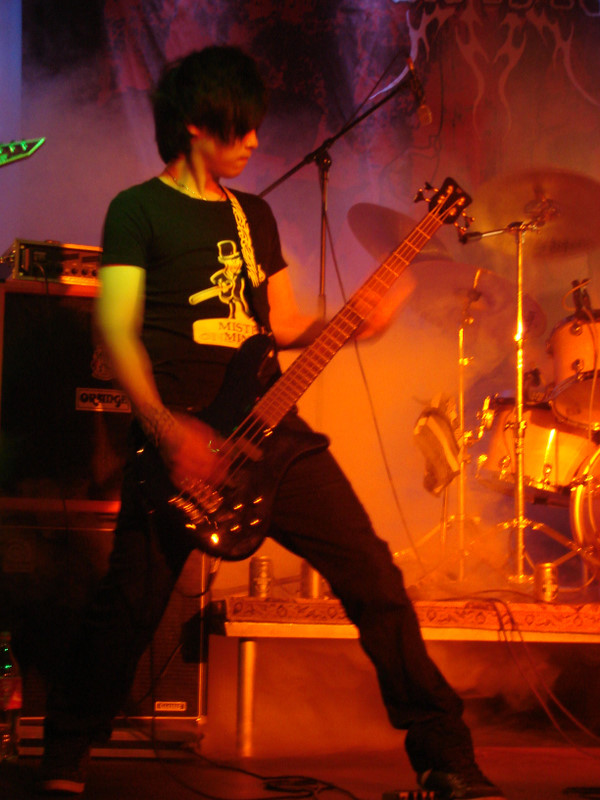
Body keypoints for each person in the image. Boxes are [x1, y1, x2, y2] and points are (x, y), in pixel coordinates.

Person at [40, 45, 505, 800]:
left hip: (275, 430)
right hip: (182, 430)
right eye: (240, 127)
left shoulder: (251, 215)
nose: (255, 140)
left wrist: (354, 322)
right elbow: (116, 330)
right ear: (196, 125)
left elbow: (281, 324)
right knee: (129, 605)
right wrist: (164, 428)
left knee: (375, 578)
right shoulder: (137, 210)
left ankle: (446, 756)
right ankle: (64, 752)